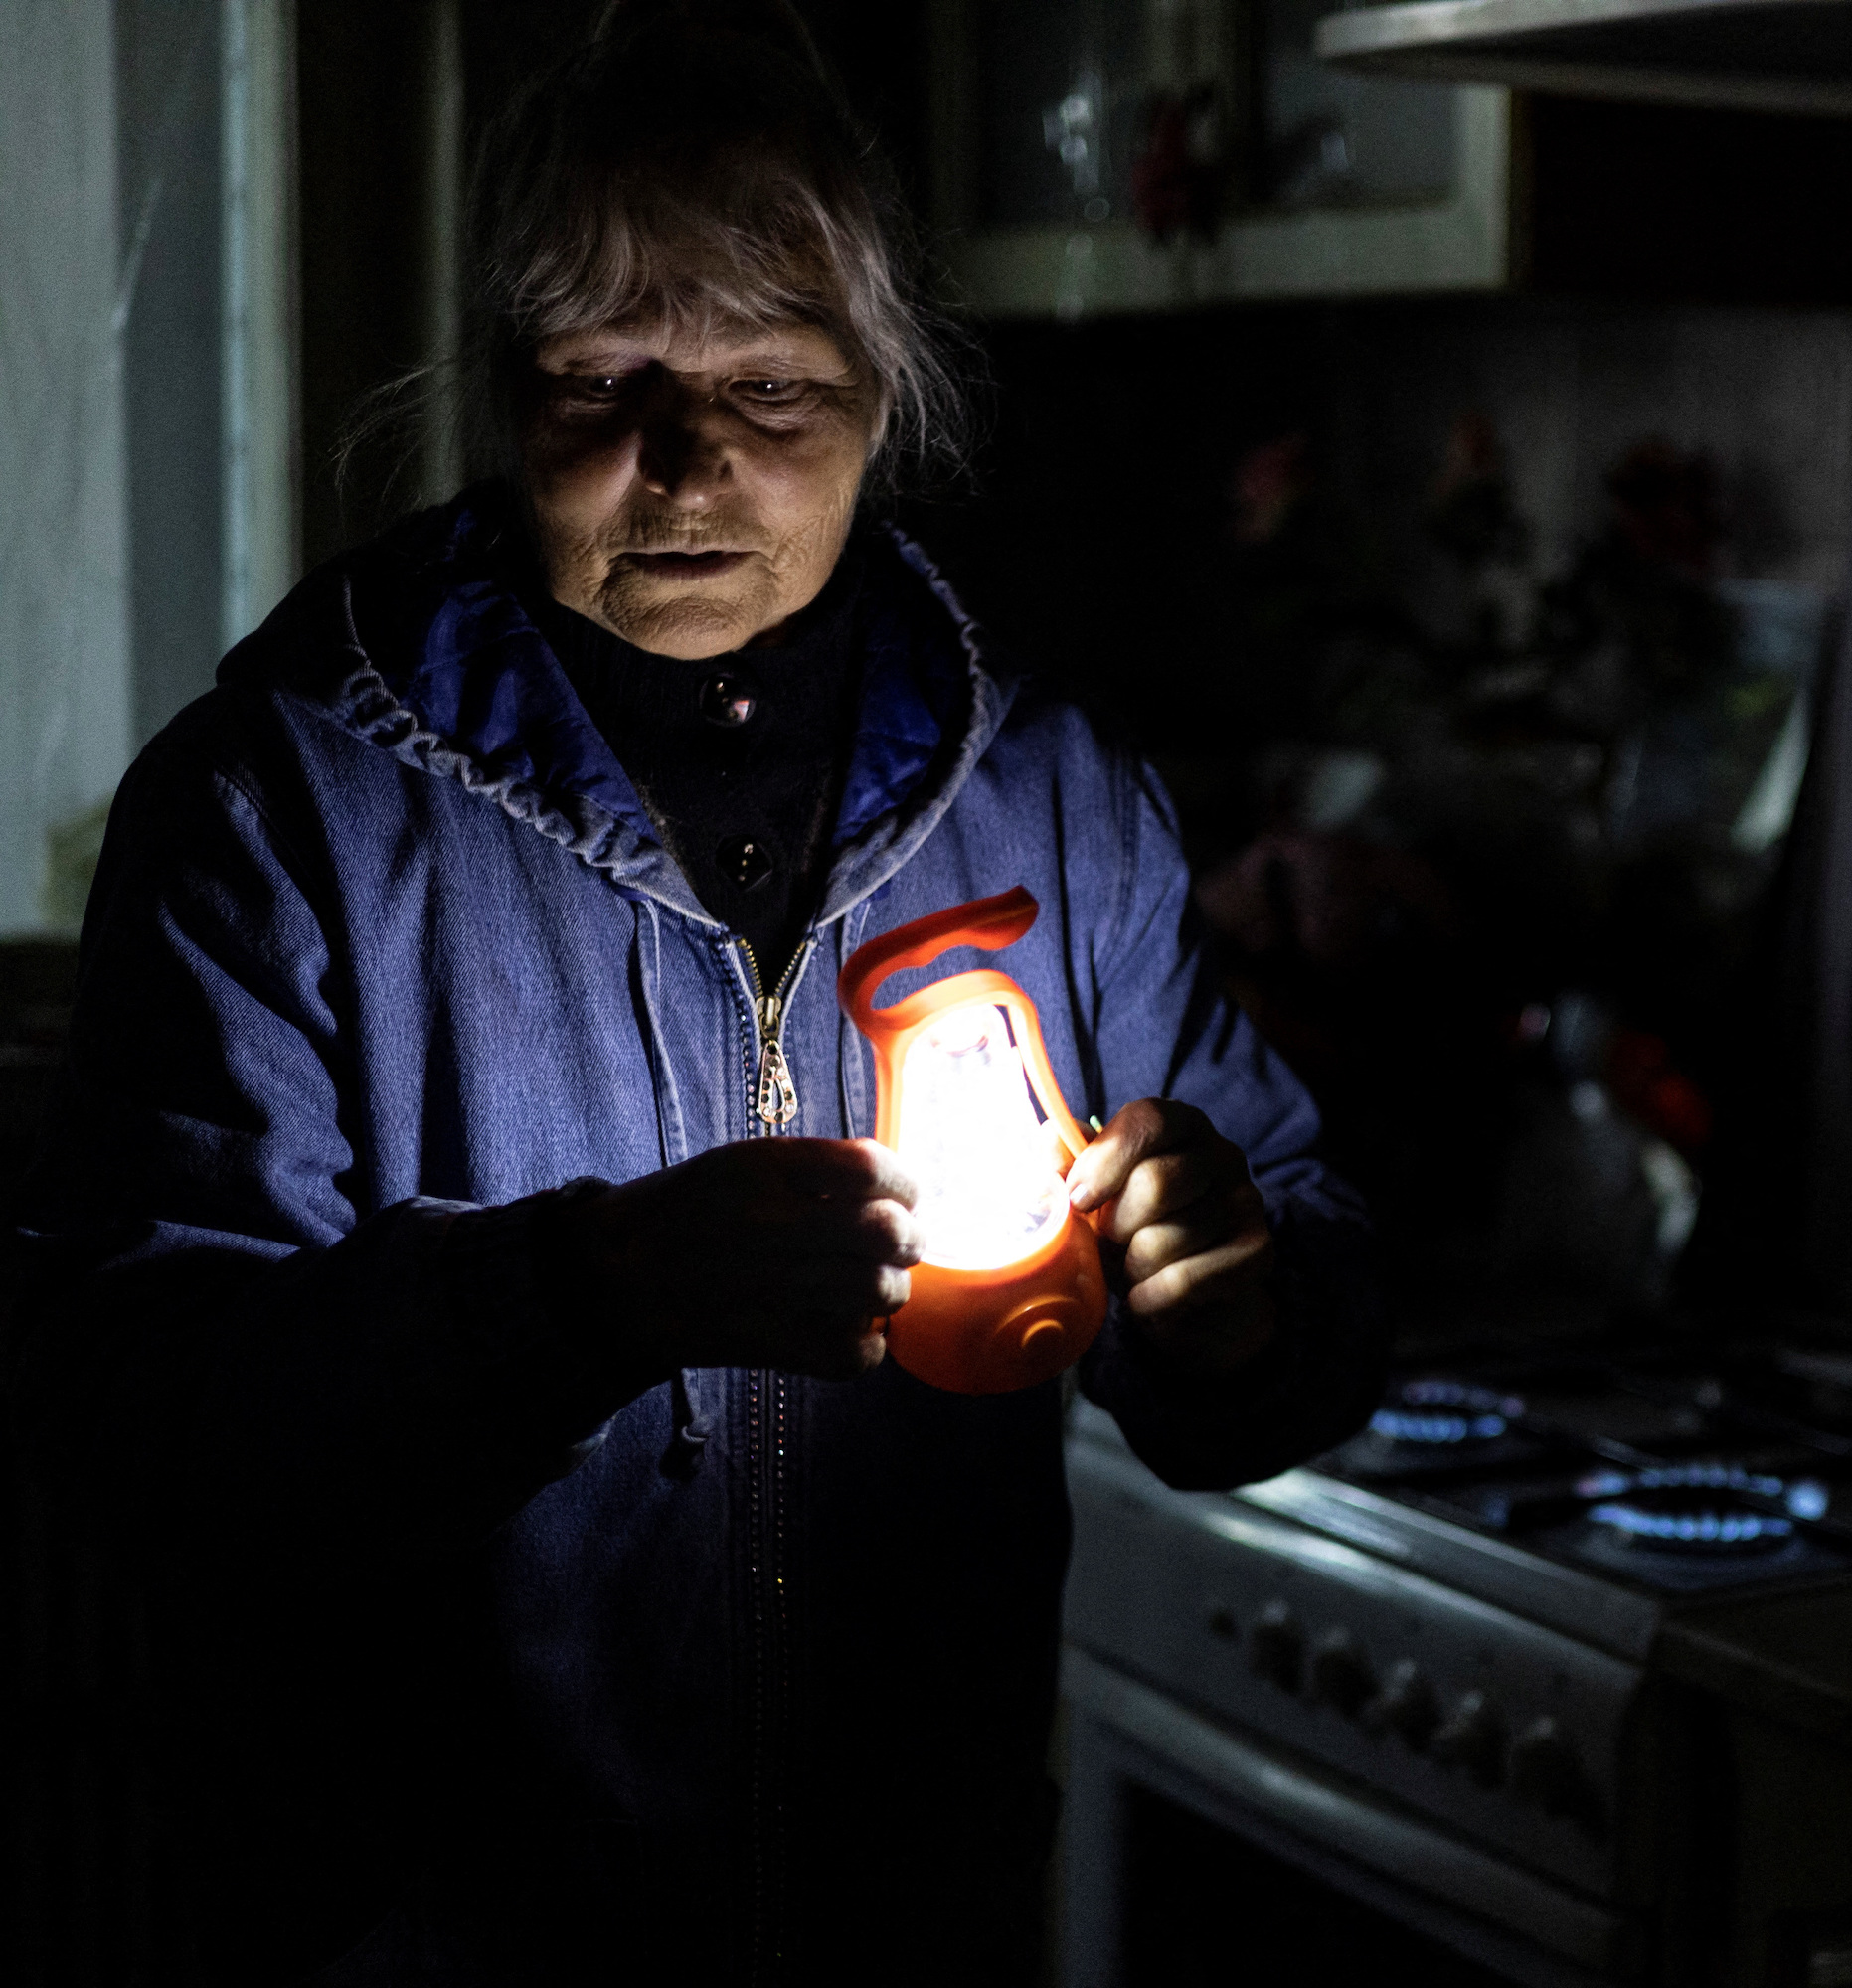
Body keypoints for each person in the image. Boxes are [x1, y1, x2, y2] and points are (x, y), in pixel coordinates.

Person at [2, 8, 1382, 1981]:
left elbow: (1309, 1276)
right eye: (604, 376)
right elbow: (137, 1422)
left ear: (888, 392)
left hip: (913, 1922)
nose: (690, 460)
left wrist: (1236, 1304)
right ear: (497, 384)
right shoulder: (283, 808)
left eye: (774, 382)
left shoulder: (1055, 799)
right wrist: (580, 1300)